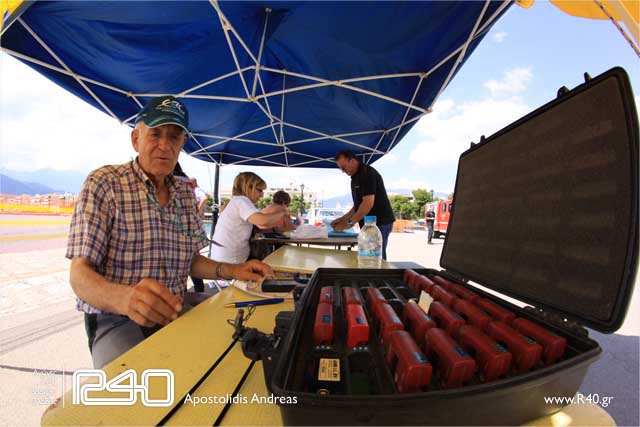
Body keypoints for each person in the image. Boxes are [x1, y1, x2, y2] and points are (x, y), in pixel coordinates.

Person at [67, 95, 274, 368]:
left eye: (174, 137)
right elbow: (79, 275)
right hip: (116, 318)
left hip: (174, 308)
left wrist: (234, 270)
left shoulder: (184, 194)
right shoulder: (104, 183)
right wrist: (125, 298)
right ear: (136, 139)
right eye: (155, 134)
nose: (165, 145)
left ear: (181, 144)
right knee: (129, 385)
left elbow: (191, 261)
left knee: (231, 359)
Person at [211, 172, 289, 264]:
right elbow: (262, 221)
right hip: (230, 262)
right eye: (260, 190)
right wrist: (283, 212)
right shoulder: (241, 201)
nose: (262, 195)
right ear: (248, 187)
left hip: (225, 259)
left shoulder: (236, 201)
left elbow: (258, 225)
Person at [331, 150, 395, 259]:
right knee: (368, 257)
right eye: (340, 168)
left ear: (352, 161)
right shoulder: (354, 179)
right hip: (369, 224)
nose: (342, 171)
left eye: (344, 167)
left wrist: (349, 223)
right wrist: (342, 219)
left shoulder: (367, 173)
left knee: (375, 258)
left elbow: (367, 204)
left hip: (379, 223)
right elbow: (357, 206)